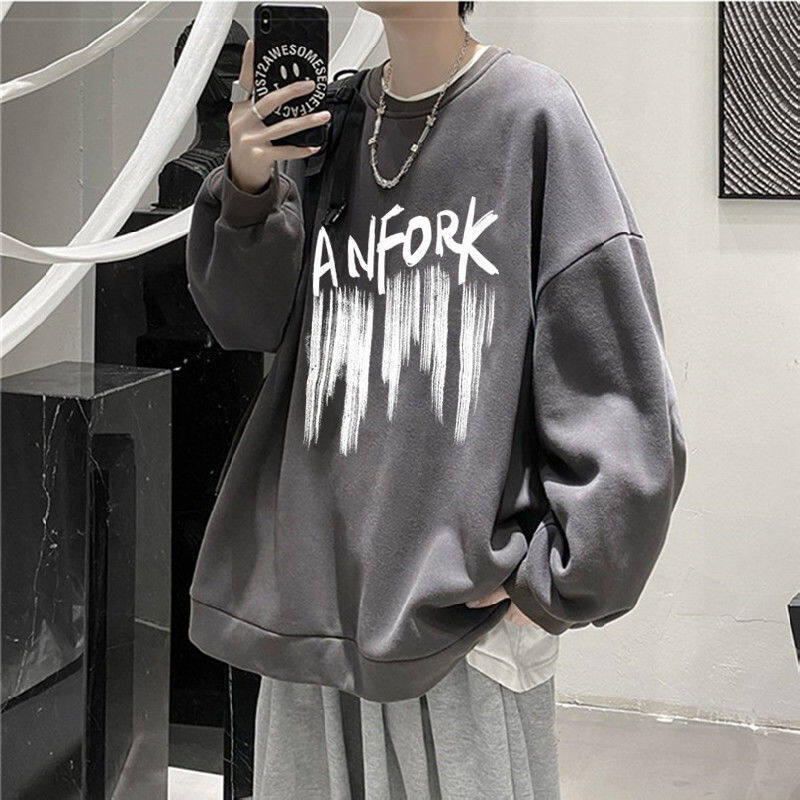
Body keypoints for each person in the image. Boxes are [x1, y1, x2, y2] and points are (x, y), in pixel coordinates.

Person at [185, 3, 687, 798]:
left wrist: (556, 575)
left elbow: (615, 374)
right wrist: (248, 187)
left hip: (460, 629)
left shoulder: (531, 114)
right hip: (315, 615)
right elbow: (246, 321)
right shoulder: (332, 124)